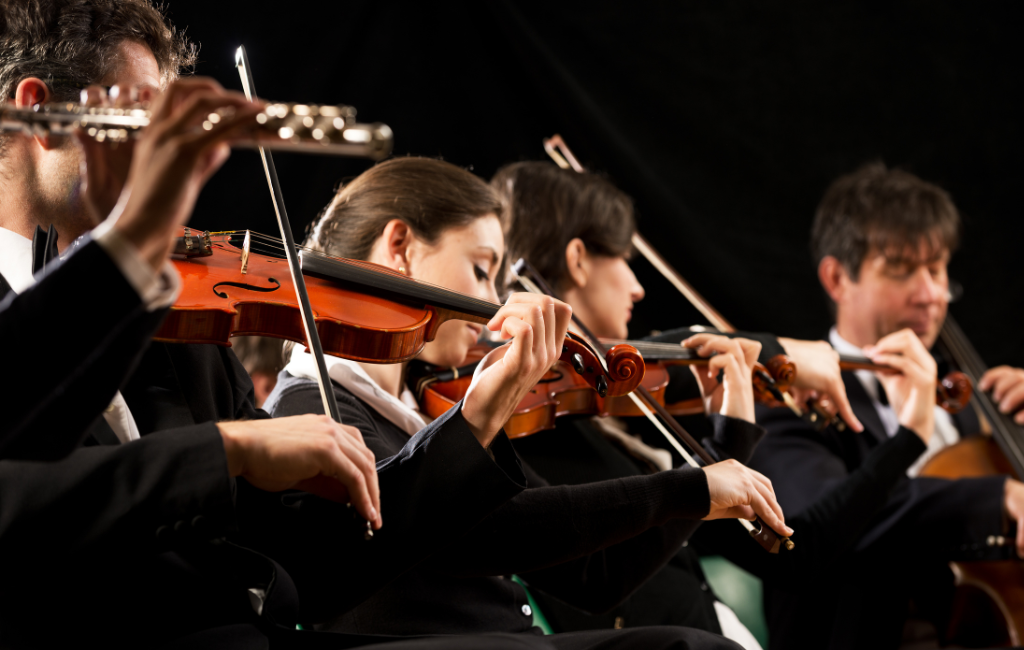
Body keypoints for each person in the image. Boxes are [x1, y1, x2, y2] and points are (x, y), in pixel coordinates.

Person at [0, 3, 569, 649]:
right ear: (43, 114)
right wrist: (226, 450)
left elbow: (318, 567)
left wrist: (474, 420)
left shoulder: (182, 329)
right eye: (149, 123)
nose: (171, 158)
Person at [264, 155, 793, 650]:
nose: (494, 298)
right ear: (400, 245)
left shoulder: (417, 409)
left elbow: (597, 575)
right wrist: (688, 485)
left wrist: (720, 456)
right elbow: (490, 532)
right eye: (480, 268)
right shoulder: (310, 410)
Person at [493, 160, 940, 647]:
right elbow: (605, 580)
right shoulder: (531, 424)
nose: (638, 287)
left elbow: (794, 552)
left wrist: (734, 431)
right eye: (624, 258)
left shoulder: (596, 424)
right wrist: (776, 351)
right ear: (578, 260)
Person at [749, 162, 1024, 649]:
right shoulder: (783, 395)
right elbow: (824, 524)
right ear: (837, 278)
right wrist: (998, 497)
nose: (931, 295)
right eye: (900, 269)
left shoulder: (967, 399)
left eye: (937, 269)